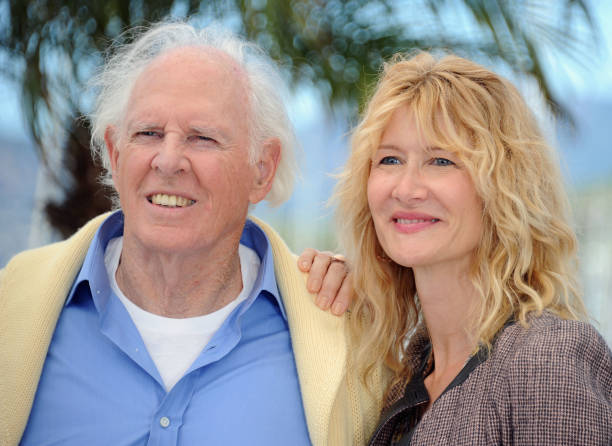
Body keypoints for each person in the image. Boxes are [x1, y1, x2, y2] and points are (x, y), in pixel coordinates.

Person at [0, 21, 385, 446]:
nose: (168, 161)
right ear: (113, 153)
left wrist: (379, 288)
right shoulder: (13, 306)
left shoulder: (347, 334)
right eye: (148, 133)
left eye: (201, 138)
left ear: (262, 170)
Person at [300, 52, 612, 445]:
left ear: (504, 188)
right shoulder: (402, 377)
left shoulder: (547, 360)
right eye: (390, 159)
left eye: (441, 161)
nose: (406, 188)